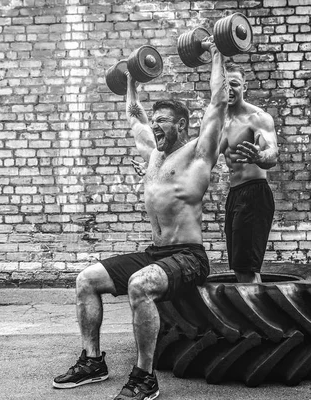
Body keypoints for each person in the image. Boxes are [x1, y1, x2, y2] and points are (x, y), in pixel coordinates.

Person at [52, 39, 228, 400]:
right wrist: (132, 79)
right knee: (86, 279)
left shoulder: (198, 154)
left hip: (189, 257)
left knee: (138, 285)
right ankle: (92, 360)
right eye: (156, 121)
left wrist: (217, 54)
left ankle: (145, 377)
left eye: (163, 121)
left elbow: (218, 102)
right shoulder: (152, 156)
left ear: (181, 124)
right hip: (156, 253)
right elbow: (135, 115)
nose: (156, 126)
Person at [220, 62, 278, 284]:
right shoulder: (220, 122)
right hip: (234, 195)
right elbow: (199, 156)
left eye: (234, 84)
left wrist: (259, 157)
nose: (229, 90)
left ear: (245, 85)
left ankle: (258, 318)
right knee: (240, 268)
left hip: (254, 195)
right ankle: (254, 315)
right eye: (224, 85)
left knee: (246, 270)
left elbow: (272, 153)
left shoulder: (257, 118)